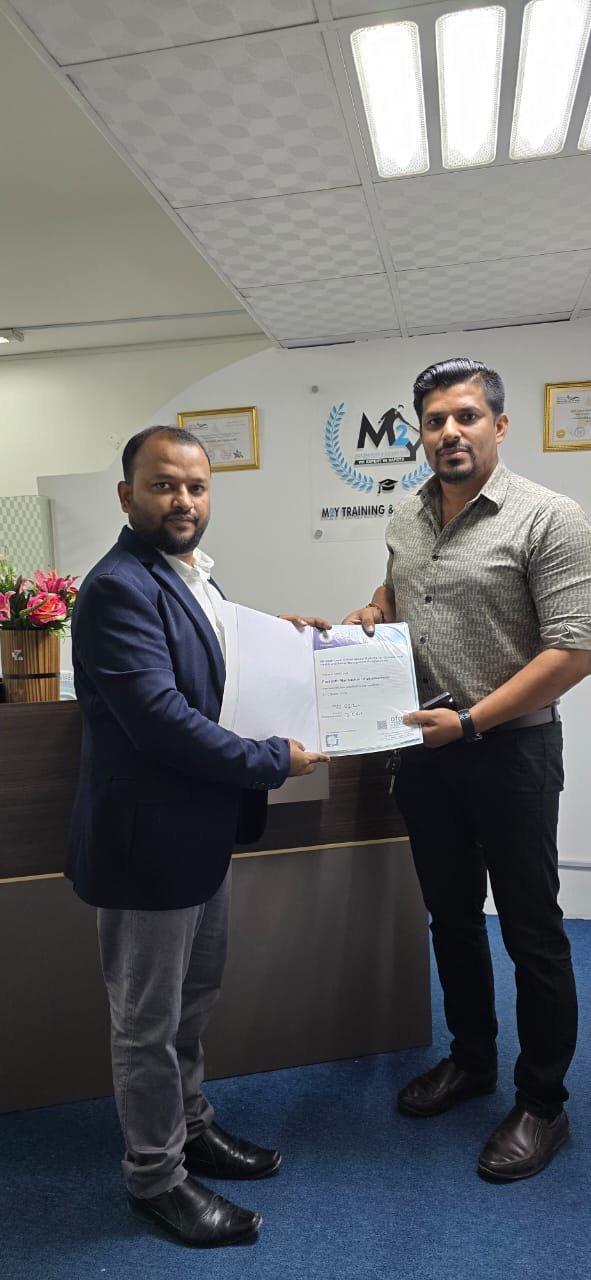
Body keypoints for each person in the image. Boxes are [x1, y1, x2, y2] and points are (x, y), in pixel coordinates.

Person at [67, 425, 328, 1248]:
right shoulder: (116, 587)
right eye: (163, 485)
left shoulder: (191, 577)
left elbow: (215, 669)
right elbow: (160, 721)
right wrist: (273, 760)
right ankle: (155, 1178)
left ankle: (191, 1127)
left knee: (192, 1002)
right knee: (146, 1022)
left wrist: (282, 641)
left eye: (196, 486)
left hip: (200, 837)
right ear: (126, 495)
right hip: (145, 846)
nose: (183, 501)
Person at [343, 358, 591, 1182]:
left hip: (511, 752)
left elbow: (574, 649)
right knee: (450, 917)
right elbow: (401, 589)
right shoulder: (405, 517)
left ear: (498, 425)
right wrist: (375, 608)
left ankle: (542, 1102)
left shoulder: (549, 517)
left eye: (465, 416)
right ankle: (472, 1060)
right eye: (434, 421)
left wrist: (474, 720)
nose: (449, 432)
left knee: (530, 930)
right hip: (425, 752)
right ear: (419, 433)